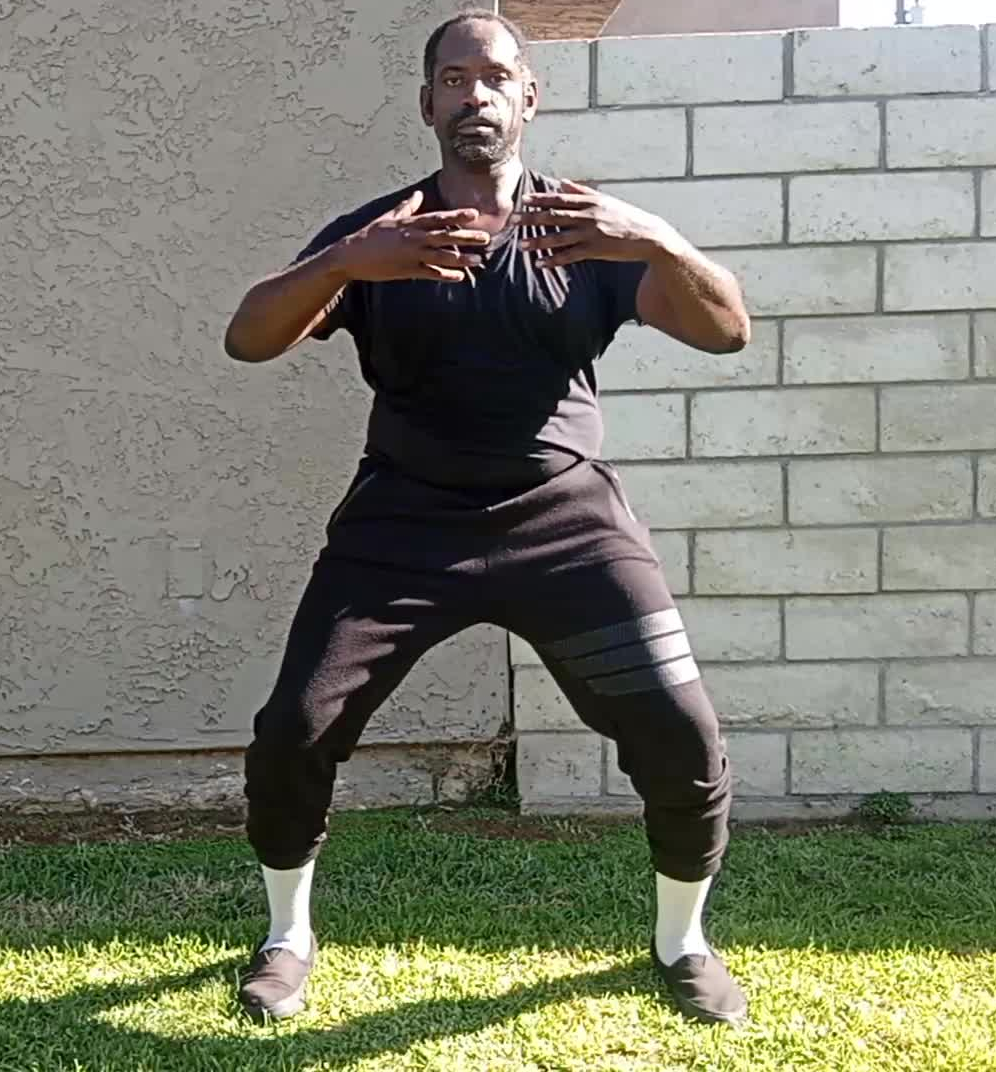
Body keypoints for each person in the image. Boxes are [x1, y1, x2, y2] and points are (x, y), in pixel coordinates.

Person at [223, 9, 752, 1027]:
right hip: (404, 524)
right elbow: (248, 339)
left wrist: (657, 237)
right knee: (292, 729)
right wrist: (342, 266)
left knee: (681, 733)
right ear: (428, 103)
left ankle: (682, 940)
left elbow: (727, 330)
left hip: (566, 521)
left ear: (527, 98)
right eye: (454, 79)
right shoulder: (382, 236)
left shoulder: (586, 230)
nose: (476, 94)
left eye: (496, 76)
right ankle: (287, 933)